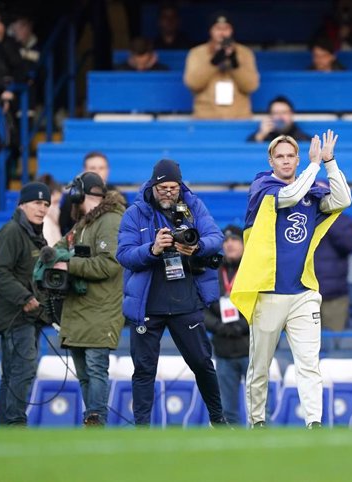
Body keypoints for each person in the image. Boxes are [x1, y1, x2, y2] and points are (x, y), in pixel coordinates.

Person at [230, 130, 352, 428]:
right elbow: (290, 195)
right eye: (279, 156)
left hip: (302, 292)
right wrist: (313, 166)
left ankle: (314, 423)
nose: (285, 160)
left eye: (290, 156)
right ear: (270, 161)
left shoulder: (311, 190)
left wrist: (330, 162)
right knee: (260, 366)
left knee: (309, 363)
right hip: (268, 291)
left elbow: (343, 199)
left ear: (296, 159)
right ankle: (257, 421)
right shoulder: (263, 186)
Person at [116, 159, 227, 426]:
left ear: (180, 185)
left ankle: (218, 419)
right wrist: (151, 250)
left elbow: (216, 236)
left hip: (184, 298)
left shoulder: (193, 206)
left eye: (173, 187)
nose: (168, 192)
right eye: (163, 187)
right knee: (143, 369)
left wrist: (197, 246)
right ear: (153, 185)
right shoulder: (135, 213)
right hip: (148, 303)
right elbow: (123, 254)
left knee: (202, 362)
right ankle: (142, 428)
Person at [51, 172, 126, 426]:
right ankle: (91, 419)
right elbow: (60, 246)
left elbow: (109, 265)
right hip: (79, 311)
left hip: (101, 310)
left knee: (95, 370)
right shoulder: (83, 223)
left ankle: (96, 419)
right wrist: (52, 257)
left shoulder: (111, 220)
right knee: (84, 373)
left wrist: (68, 264)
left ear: (79, 193)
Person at [0, 181, 50, 425]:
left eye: (46, 204)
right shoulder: (12, 231)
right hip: (15, 315)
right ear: (22, 204)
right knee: (22, 370)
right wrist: (24, 298)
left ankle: (7, 426)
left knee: (13, 374)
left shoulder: (33, 234)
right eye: (37, 203)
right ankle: (15, 423)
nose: (42, 208)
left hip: (28, 316)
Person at [203, 225, 249, 425]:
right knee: (227, 412)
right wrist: (218, 326)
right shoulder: (213, 272)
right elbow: (202, 306)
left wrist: (243, 324)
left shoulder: (253, 270)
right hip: (223, 349)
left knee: (260, 409)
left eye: (235, 240)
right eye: (226, 241)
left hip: (252, 348)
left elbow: (263, 304)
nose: (229, 244)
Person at [183, 13, 259, 119]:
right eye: (218, 28)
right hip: (206, 118)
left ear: (232, 31)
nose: (222, 33)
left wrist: (234, 62)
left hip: (239, 117)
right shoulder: (197, 53)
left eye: (226, 28)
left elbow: (251, 86)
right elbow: (193, 83)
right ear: (211, 31)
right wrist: (214, 61)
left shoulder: (245, 53)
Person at [314, 180, 352, 332]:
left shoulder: (343, 222)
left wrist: (330, 218)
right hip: (304, 296)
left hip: (334, 297)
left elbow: (349, 245)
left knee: (335, 343)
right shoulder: (301, 221)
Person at [59, 151, 115, 236]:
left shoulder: (118, 196)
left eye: (101, 168)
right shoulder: (73, 196)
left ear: (108, 171)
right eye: (93, 168)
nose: (97, 172)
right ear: (84, 170)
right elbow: (63, 227)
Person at [247, 96, 312, 143]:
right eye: (276, 113)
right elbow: (248, 151)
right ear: (270, 116)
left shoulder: (302, 138)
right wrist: (261, 135)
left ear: (291, 115)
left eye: (284, 112)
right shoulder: (263, 136)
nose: (280, 117)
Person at [36, 173, 63, 246]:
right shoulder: (45, 224)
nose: (57, 207)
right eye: (55, 202)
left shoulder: (52, 222)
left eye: (58, 202)